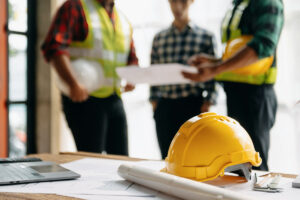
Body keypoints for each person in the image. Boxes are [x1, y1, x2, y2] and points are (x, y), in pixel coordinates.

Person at [183, 0, 284, 170]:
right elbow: (238, 49)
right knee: (239, 165)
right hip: (236, 93)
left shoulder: (268, 2)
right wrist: (213, 61)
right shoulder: (239, 4)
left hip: (256, 96)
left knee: (254, 166)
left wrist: (216, 68)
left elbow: (263, 46)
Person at [41, 0, 138, 155]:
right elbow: (55, 47)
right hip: (85, 101)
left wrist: (133, 74)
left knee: (121, 160)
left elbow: (131, 56)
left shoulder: (123, 20)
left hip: (114, 98)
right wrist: (73, 84)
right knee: (91, 161)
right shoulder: (75, 7)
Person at [150, 0, 217, 159]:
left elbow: (213, 75)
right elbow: (153, 74)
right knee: (167, 158)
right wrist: (154, 103)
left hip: (193, 106)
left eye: (183, 1)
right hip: (165, 106)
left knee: (194, 158)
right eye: (173, 1)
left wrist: (209, 102)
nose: (178, 7)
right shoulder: (159, 38)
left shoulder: (206, 37)